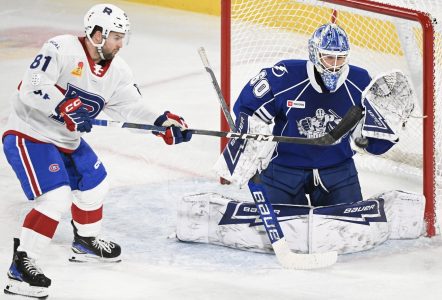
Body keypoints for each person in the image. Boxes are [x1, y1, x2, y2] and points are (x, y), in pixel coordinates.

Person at [2, 3, 191, 298]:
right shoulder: (61, 48)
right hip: (30, 134)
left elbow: (131, 106)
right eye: (115, 36)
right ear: (96, 33)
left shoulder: (119, 71)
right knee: (55, 198)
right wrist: (62, 104)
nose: (120, 43)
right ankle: (21, 267)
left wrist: (161, 122)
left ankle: (85, 242)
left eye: (122, 37)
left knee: (95, 185)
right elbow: (32, 83)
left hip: (67, 140)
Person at [229, 23, 397, 207]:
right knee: (286, 228)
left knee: (347, 230)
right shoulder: (286, 77)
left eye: (340, 58)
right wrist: (257, 142)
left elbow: (374, 144)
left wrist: (388, 127)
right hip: (285, 168)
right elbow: (246, 110)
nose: (334, 65)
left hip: (338, 169)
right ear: (314, 53)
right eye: (329, 57)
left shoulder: (360, 82)